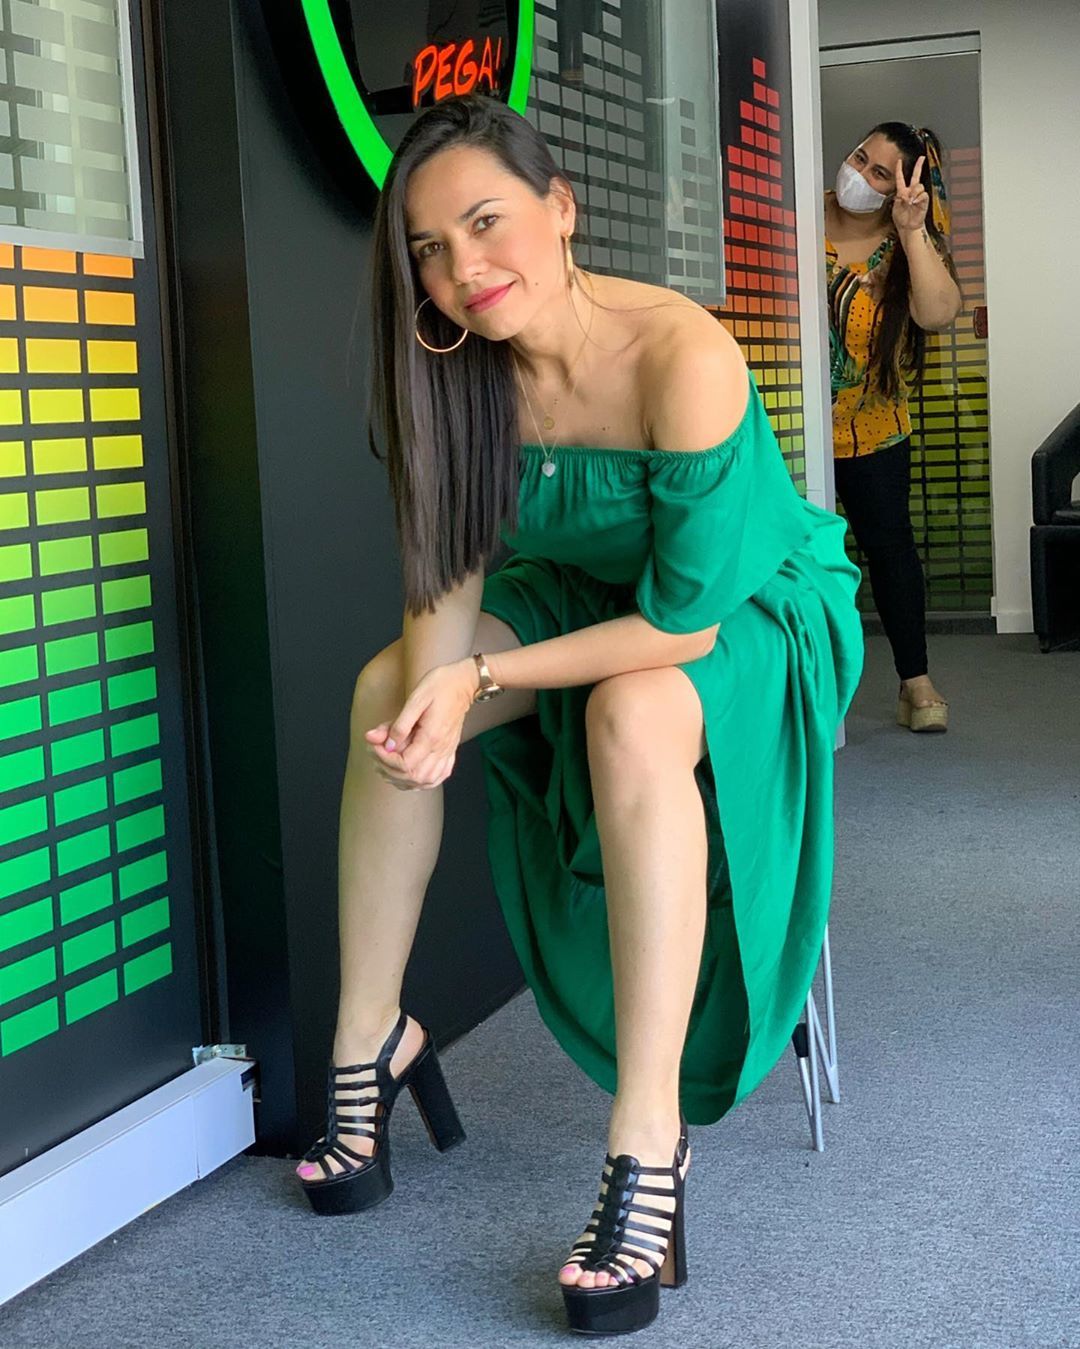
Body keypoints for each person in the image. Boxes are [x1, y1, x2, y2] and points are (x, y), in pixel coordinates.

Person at [294, 93, 864, 1337]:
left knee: (634, 711)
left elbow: (684, 623)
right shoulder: (452, 369)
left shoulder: (680, 355)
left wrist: (485, 682)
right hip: (587, 596)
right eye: (429, 248)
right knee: (386, 689)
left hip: (742, 605)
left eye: (485, 222)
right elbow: (446, 592)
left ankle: (648, 1139)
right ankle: (369, 1037)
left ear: (560, 209)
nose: (462, 268)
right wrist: (435, 697)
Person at [826, 122, 963, 733]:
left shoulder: (906, 241)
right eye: (860, 158)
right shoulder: (794, 215)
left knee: (889, 551)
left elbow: (938, 314)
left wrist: (910, 231)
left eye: (879, 172)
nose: (859, 174)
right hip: (789, 428)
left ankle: (916, 681)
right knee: (788, 554)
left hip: (872, 428)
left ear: (900, 189)